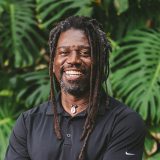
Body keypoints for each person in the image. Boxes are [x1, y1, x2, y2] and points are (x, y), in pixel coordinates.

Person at [5, 16, 146, 160]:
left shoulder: (124, 122)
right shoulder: (28, 122)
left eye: (85, 53)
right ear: (53, 63)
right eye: (64, 53)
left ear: (101, 62)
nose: (73, 60)